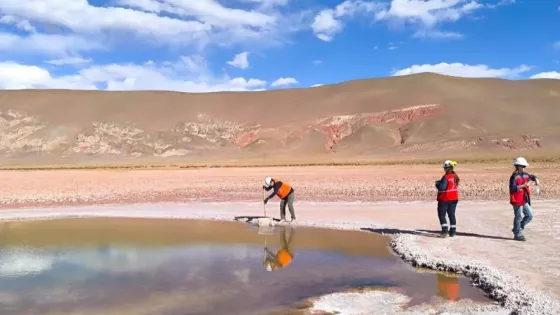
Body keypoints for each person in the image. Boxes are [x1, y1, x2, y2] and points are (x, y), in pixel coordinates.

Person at [509, 157, 540, 241]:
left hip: (524, 199)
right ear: (518, 166)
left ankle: (517, 228)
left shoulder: (525, 174)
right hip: (517, 199)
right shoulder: (514, 177)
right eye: (522, 166)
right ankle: (517, 234)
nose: (524, 168)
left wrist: (536, 179)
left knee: (529, 215)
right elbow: (512, 188)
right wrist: (524, 185)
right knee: (518, 217)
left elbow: (531, 176)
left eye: (524, 166)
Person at [435, 160, 460, 237]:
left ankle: (444, 231)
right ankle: (452, 231)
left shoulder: (446, 177)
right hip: (454, 199)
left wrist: (437, 184)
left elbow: (442, 188)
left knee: (442, 215)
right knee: (451, 214)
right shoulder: (455, 176)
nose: (444, 169)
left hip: (445, 199)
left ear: (446, 168)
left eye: (444, 168)